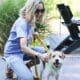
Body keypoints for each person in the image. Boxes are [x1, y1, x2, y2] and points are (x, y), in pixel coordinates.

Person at [3, 0, 50, 80]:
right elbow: (23, 47)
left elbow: (27, 32)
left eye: (42, 10)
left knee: (45, 52)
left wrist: (33, 33)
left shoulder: (30, 20)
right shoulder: (22, 23)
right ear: (30, 9)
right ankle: (14, 69)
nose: (40, 13)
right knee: (28, 78)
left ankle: (22, 68)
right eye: (37, 11)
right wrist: (39, 55)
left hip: (22, 52)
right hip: (13, 54)